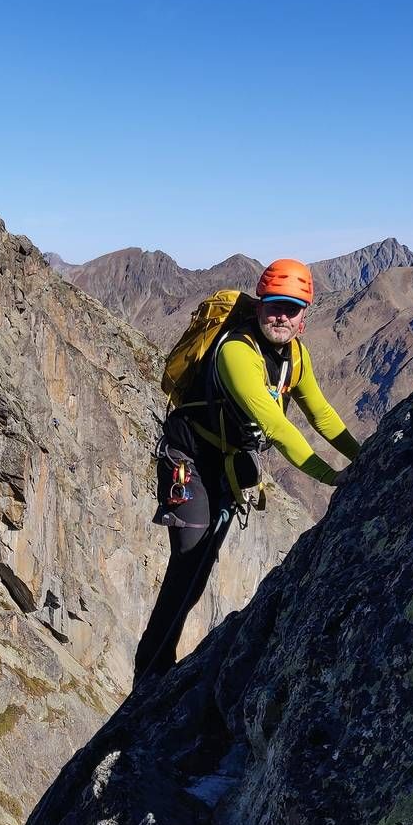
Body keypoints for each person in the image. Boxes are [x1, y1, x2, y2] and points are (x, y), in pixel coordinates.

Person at [134, 257, 360, 679]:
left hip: (225, 464)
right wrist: (335, 478)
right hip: (189, 463)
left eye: (291, 308)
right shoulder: (237, 352)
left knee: (199, 570)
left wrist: (363, 457)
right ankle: (149, 672)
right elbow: (276, 426)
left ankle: (160, 667)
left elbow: (322, 414)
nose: (281, 315)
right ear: (259, 305)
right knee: (188, 563)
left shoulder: (295, 356)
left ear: (303, 318)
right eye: (274, 304)